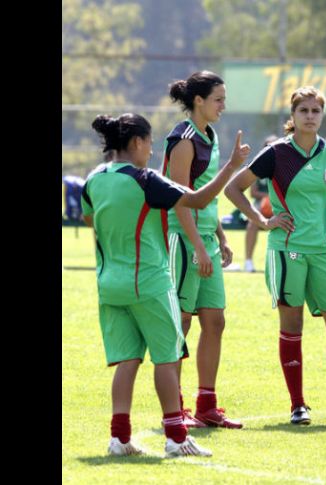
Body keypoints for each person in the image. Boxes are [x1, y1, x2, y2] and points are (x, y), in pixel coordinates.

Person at [84, 113, 250, 457]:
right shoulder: (146, 180)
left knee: (127, 361)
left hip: (109, 284)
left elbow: (91, 219)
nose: (152, 149)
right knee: (167, 357)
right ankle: (176, 438)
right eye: (149, 142)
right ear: (136, 143)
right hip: (149, 282)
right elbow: (199, 199)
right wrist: (232, 165)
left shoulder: (93, 179)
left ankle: (119, 438)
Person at [225, 86, 326, 425]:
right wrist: (261, 220)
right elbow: (233, 187)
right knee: (292, 327)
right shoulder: (277, 154)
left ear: (322, 115)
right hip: (287, 252)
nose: (310, 117)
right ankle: (298, 405)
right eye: (304, 111)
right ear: (293, 116)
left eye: (316, 111)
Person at [161, 70, 243, 429]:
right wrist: (198, 246)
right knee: (180, 324)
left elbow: (206, 194)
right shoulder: (183, 139)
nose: (223, 106)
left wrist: (220, 236)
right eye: (218, 99)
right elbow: (180, 200)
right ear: (199, 101)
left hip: (206, 238)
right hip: (184, 240)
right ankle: (175, 408)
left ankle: (206, 404)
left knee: (215, 321)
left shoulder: (209, 134)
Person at [244, 134, 278, 273]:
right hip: (261, 203)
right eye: (268, 146)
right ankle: (248, 261)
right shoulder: (258, 164)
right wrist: (268, 197)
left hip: (279, 204)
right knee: (252, 223)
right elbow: (252, 192)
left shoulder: (285, 164)